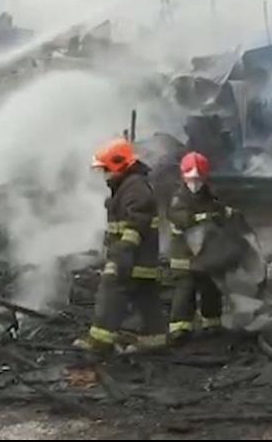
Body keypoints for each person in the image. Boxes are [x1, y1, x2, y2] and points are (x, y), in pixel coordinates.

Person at [73, 138, 167, 353]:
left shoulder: (134, 188)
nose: (105, 174)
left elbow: (136, 224)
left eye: (106, 169)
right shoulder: (129, 186)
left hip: (132, 257)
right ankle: (155, 339)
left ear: (119, 165)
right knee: (145, 297)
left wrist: (122, 252)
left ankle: (100, 341)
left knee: (111, 292)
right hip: (141, 258)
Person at [167, 152, 231, 342]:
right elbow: (183, 219)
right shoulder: (178, 199)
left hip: (206, 255)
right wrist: (205, 217)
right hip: (184, 255)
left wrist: (226, 215)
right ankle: (180, 328)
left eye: (199, 178)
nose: (195, 183)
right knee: (185, 290)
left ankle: (212, 323)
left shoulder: (210, 198)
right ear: (183, 176)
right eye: (191, 178)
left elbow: (222, 214)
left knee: (211, 289)